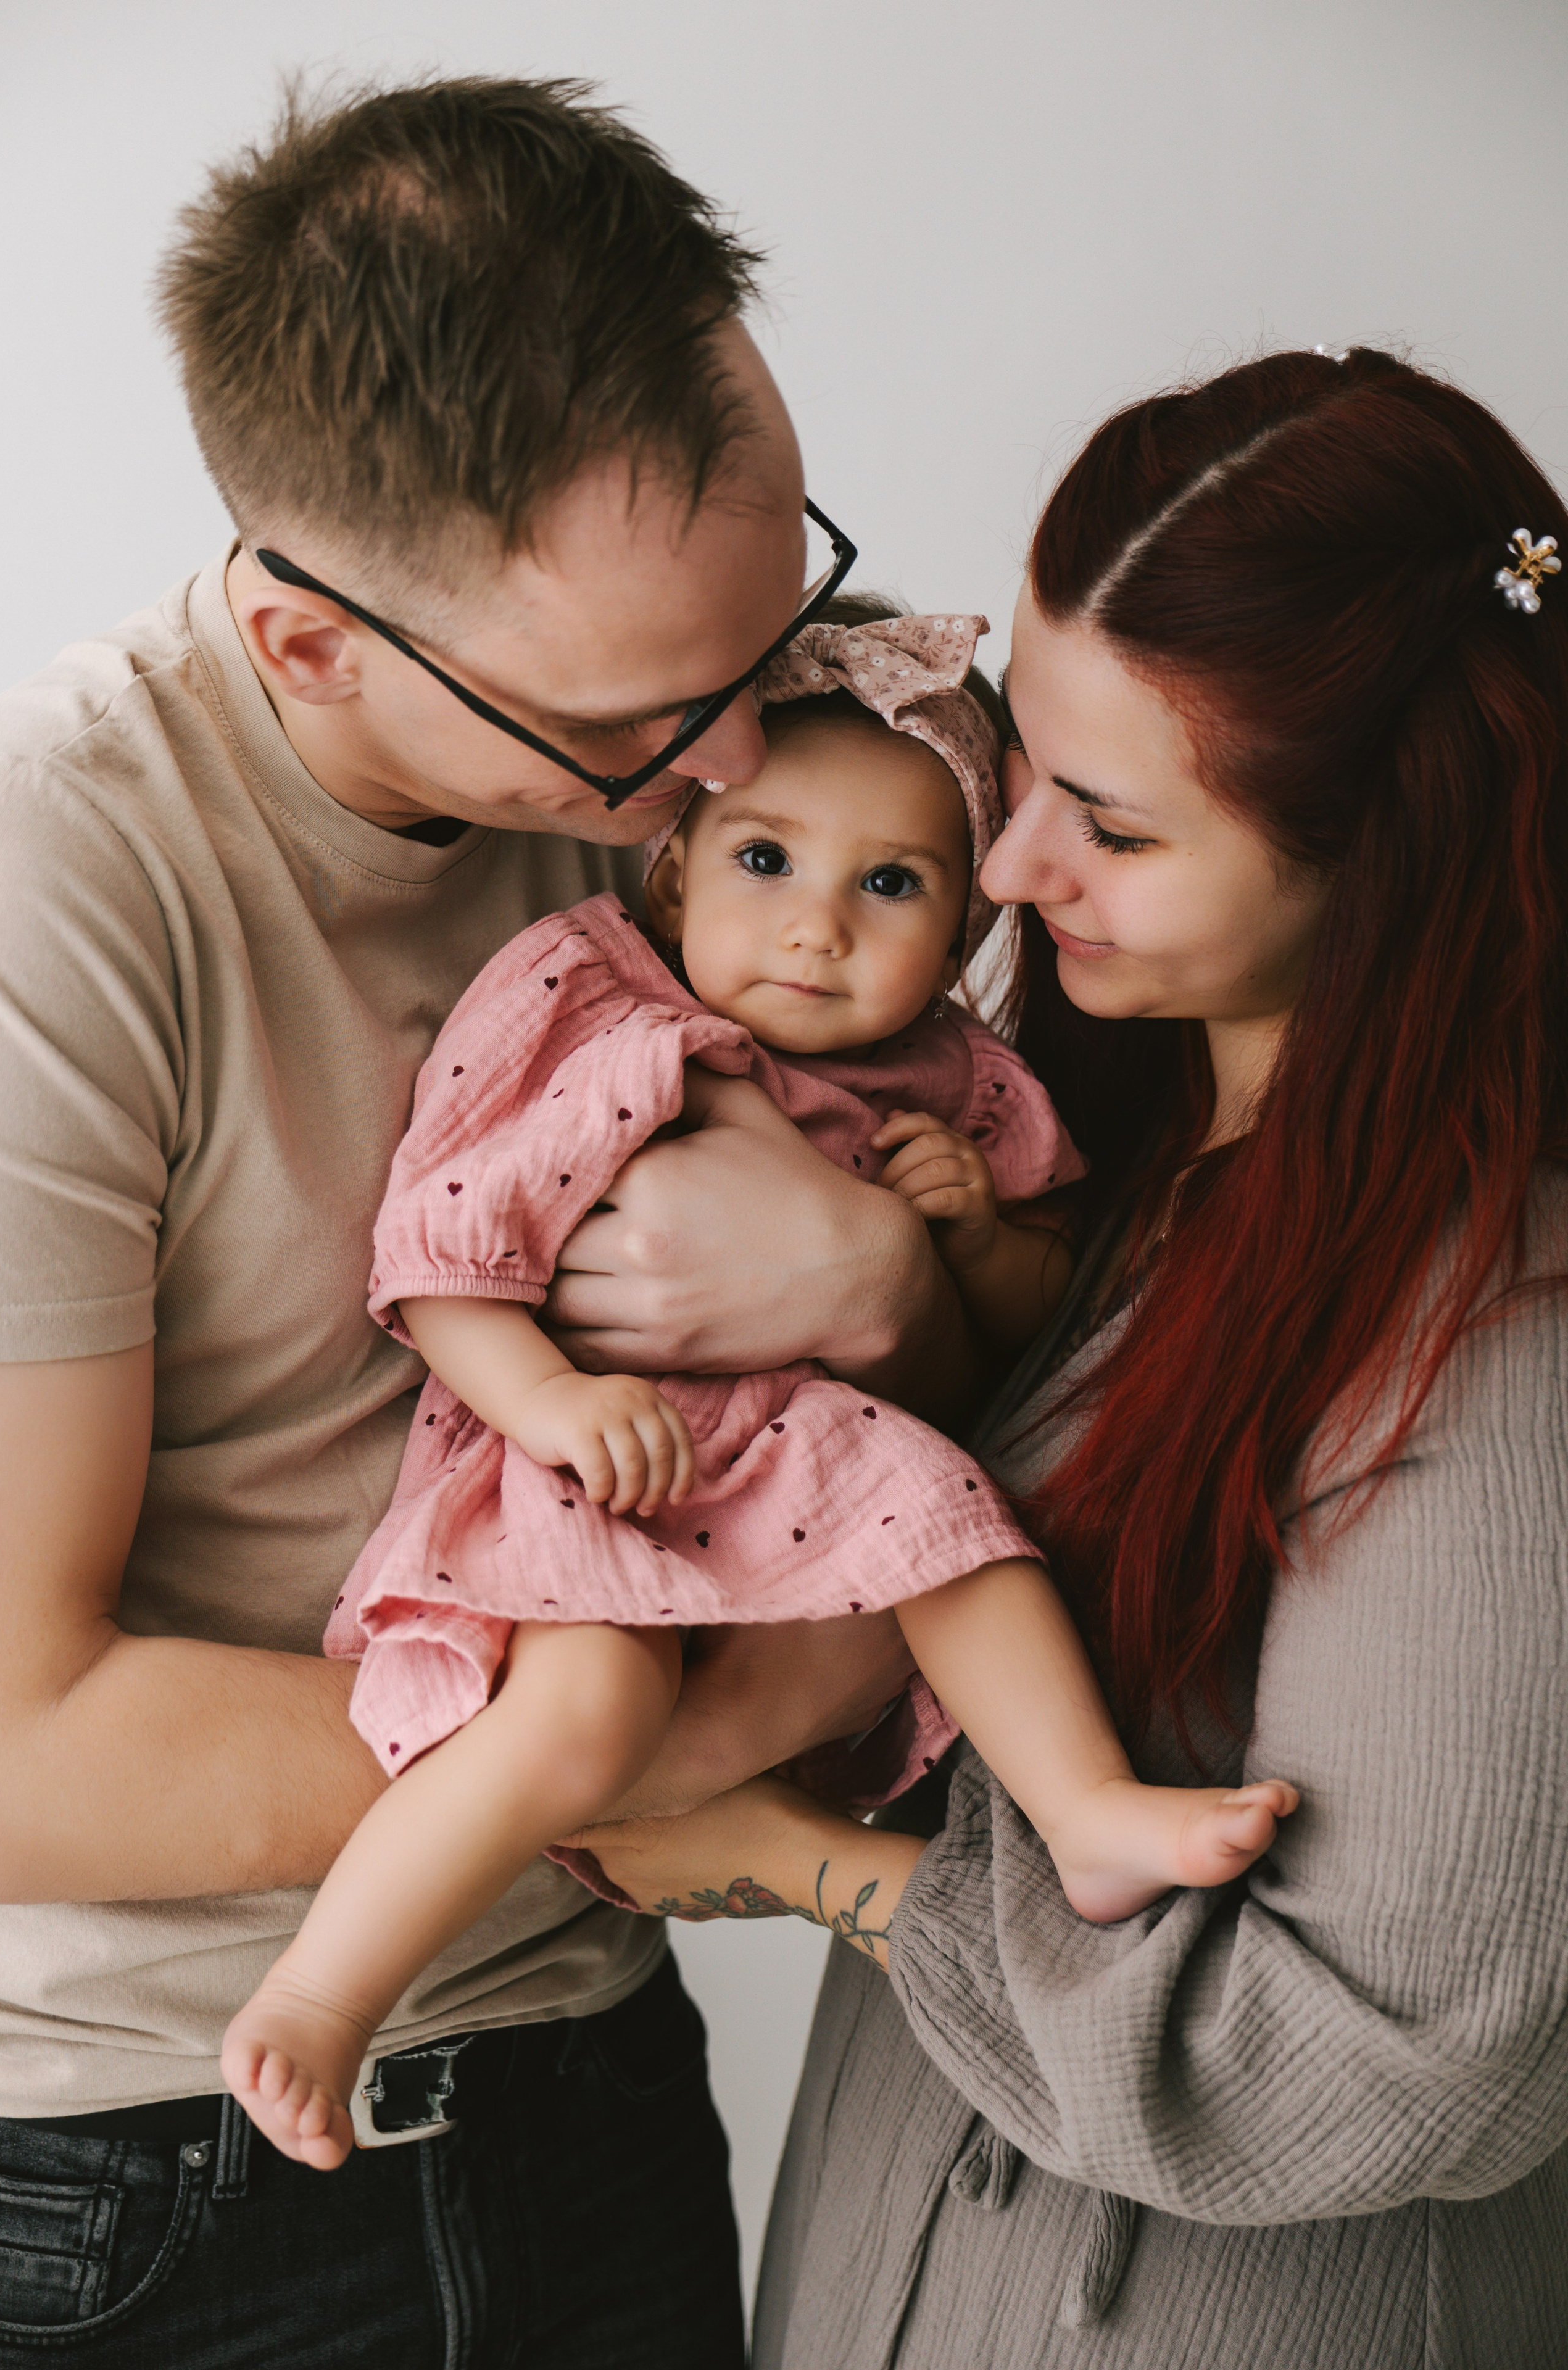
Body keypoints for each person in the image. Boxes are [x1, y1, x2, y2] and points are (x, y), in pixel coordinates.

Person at [0, 77, 953, 2368]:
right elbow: (8, 1743)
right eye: (646, 727)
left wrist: (889, 1276)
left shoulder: (711, 769)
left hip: (596, 2067)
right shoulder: (60, 890)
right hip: (168, 2168)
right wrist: (675, 1735)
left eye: (773, 627)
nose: (738, 771)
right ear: (316, 644)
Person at [581, 349, 1568, 2370]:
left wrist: (788, 1860)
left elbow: (1416, 2055)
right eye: (1019, 764)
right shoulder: (1091, 1145)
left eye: (1106, 824)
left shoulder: (1498, 1332)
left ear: (1387, 863)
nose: (1008, 869)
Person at [222, 602, 1298, 2170]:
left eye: (888, 886)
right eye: (764, 862)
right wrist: (545, 1401)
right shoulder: (589, 1004)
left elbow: (1045, 1328)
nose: (816, 928)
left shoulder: (957, 1073)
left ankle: (1083, 1809)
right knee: (585, 1707)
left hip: (811, 1459)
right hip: (597, 1450)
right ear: (675, 861)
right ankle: (325, 1990)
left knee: (965, 1537)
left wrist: (972, 1239)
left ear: (964, 931)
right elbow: (445, 1251)